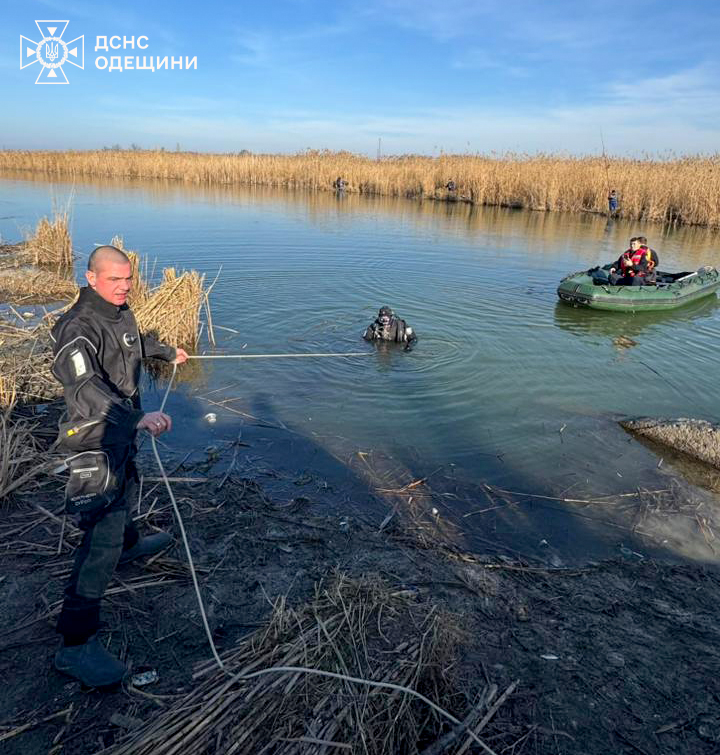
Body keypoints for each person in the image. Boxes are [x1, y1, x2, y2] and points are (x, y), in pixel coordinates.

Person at [51, 245, 188, 687]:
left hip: (121, 434)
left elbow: (134, 343)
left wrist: (166, 352)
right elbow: (85, 384)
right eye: (114, 280)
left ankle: (129, 545)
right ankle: (75, 646)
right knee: (98, 537)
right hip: (93, 438)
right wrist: (135, 417)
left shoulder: (119, 311)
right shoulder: (77, 326)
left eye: (129, 279)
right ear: (91, 278)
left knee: (128, 489)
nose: (124, 286)